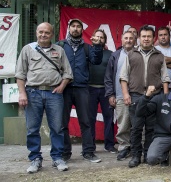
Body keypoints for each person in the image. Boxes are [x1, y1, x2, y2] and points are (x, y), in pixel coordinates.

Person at [15, 22, 73, 173]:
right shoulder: (28, 49)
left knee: (57, 128)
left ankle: (57, 158)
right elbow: (20, 74)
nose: (43, 35)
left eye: (47, 32)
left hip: (54, 94)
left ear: (52, 35)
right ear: (36, 33)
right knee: (32, 129)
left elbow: (68, 73)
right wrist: (22, 93)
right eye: (41, 32)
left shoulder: (59, 50)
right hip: (32, 93)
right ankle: (35, 159)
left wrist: (61, 86)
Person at [120, 25, 171, 168]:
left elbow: (165, 78)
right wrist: (125, 94)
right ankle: (136, 155)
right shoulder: (131, 54)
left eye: (149, 36)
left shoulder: (159, 55)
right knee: (136, 128)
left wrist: (165, 98)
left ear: (153, 38)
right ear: (139, 38)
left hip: (155, 98)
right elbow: (123, 77)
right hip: (136, 96)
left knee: (151, 128)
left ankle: (148, 154)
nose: (146, 39)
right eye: (143, 36)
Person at [59, 18, 103, 163]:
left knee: (85, 121)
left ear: (82, 30)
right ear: (69, 29)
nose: (76, 29)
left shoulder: (87, 47)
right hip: (64, 89)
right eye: (73, 26)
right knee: (63, 123)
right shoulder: (60, 46)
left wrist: (97, 46)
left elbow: (96, 61)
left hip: (82, 88)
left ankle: (88, 152)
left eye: (78, 26)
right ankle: (65, 153)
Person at [104, 31, 136, 160]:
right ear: (122, 40)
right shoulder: (115, 55)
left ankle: (136, 147)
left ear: (135, 40)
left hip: (137, 95)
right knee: (123, 124)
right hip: (119, 95)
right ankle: (124, 147)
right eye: (126, 38)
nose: (128, 40)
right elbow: (108, 76)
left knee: (137, 123)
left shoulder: (139, 54)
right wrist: (110, 94)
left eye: (131, 38)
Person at [87, 29, 116, 154]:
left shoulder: (110, 54)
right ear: (92, 38)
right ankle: (90, 146)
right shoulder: (87, 51)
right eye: (97, 37)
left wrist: (112, 92)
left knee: (109, 118)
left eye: (102, 37)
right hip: (89, 89)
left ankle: (109, 145)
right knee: (90, 119)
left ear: (105, 40)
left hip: (106, 90)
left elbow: (114, 73)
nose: (99, 39)